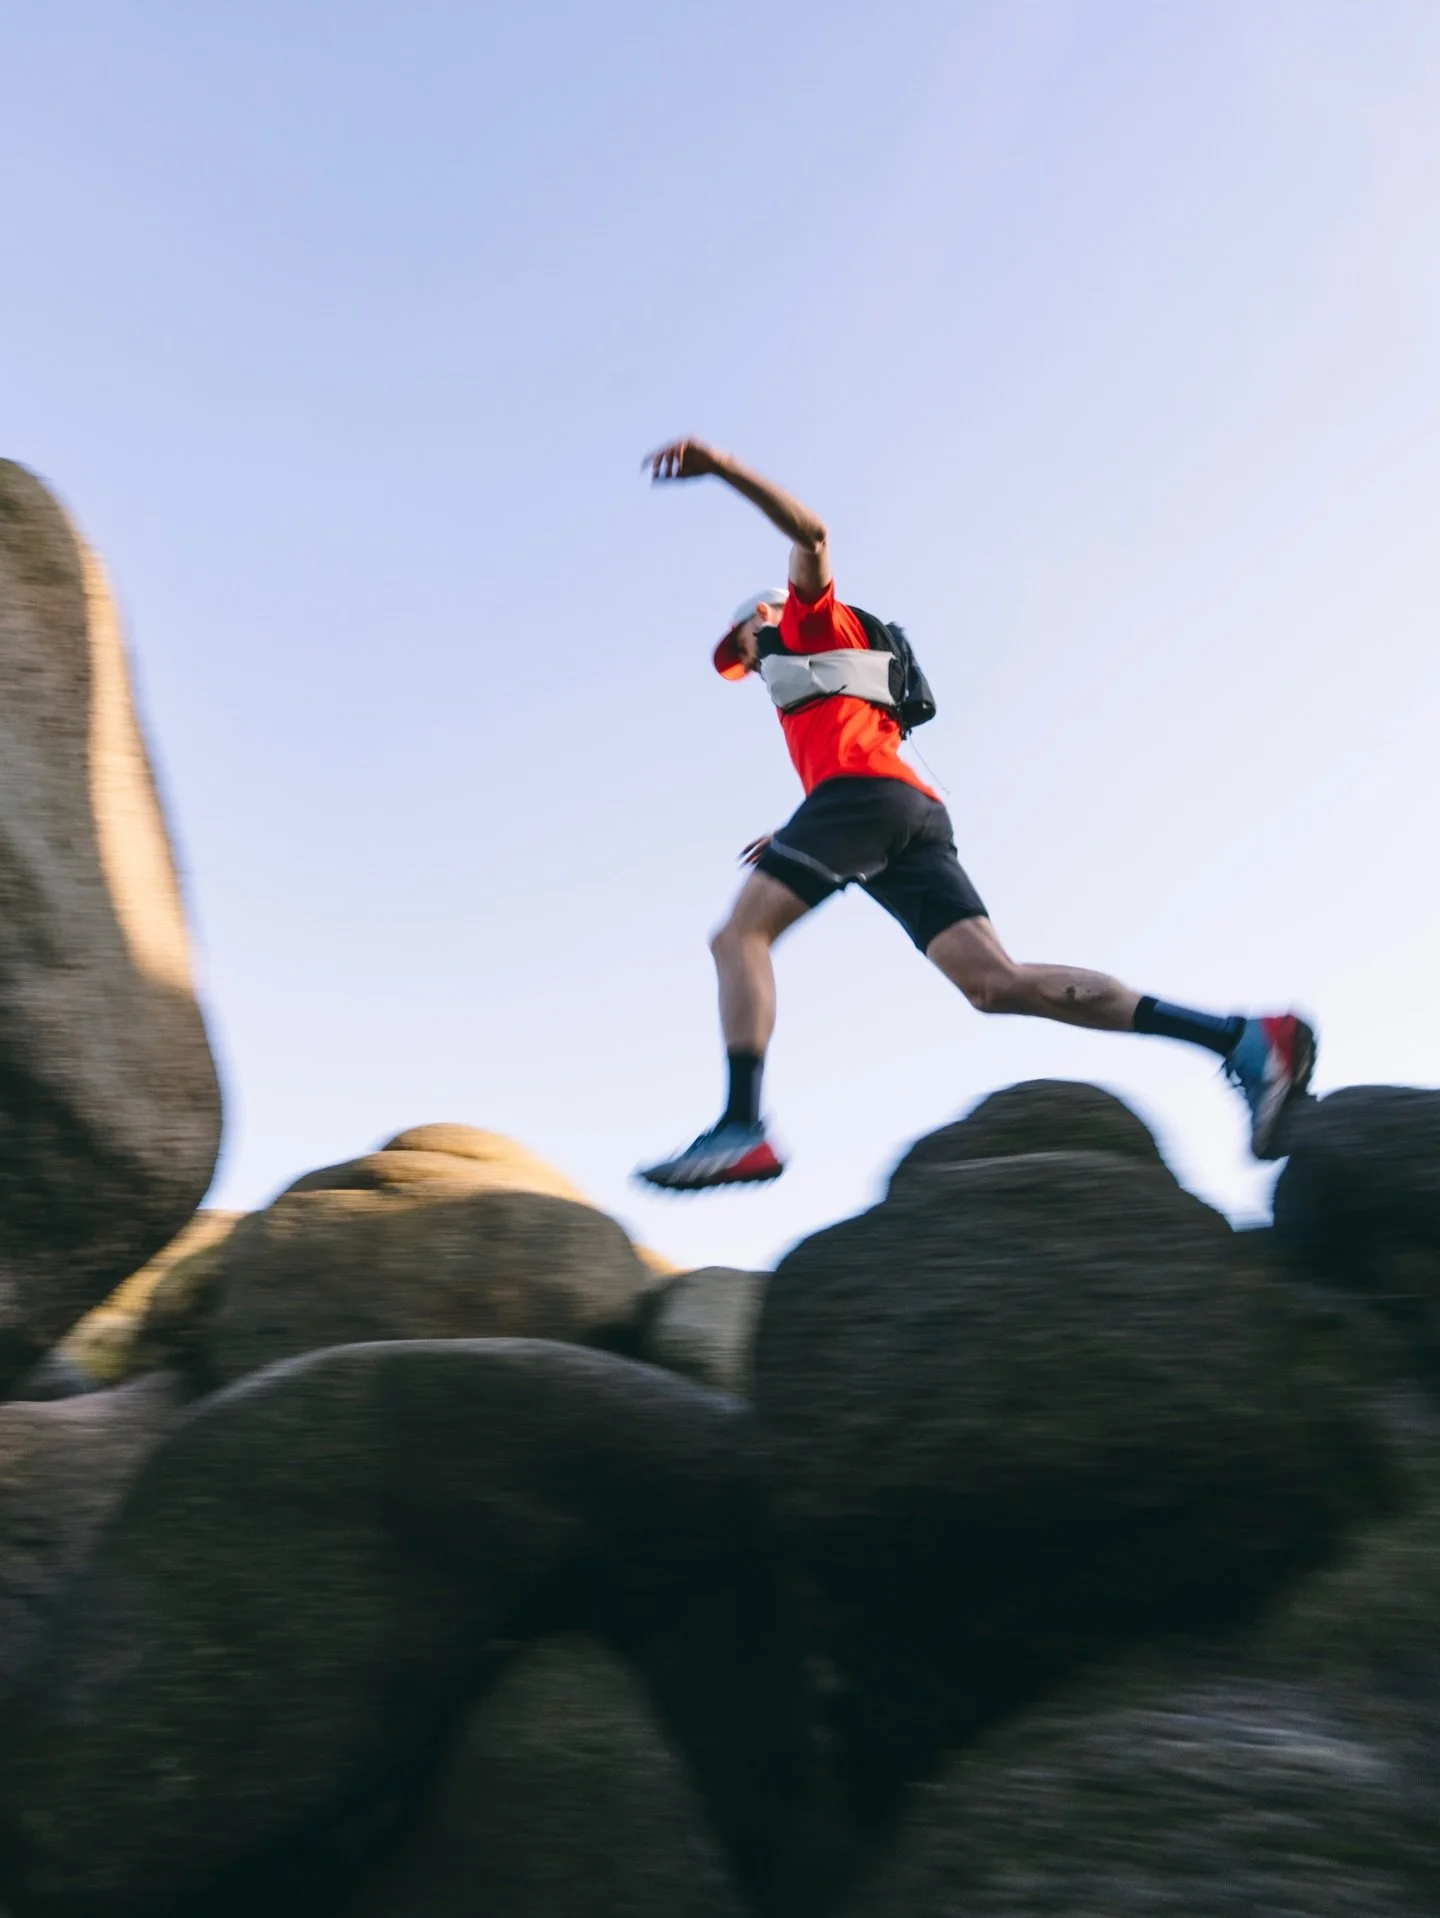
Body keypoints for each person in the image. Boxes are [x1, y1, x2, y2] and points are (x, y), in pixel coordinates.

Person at [636, 436, 1315, 1192]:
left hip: (863, 803)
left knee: (738, 935)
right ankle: (1247, 1039)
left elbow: (814, 534)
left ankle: (741, 1127)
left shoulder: (806, 624)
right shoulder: (814, 685)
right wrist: (801, 825)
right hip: (901, 812)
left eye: (742, 643)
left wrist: (720, 467)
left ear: (760, 616)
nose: (748, 658)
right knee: (995, 983)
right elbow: (856, 750)